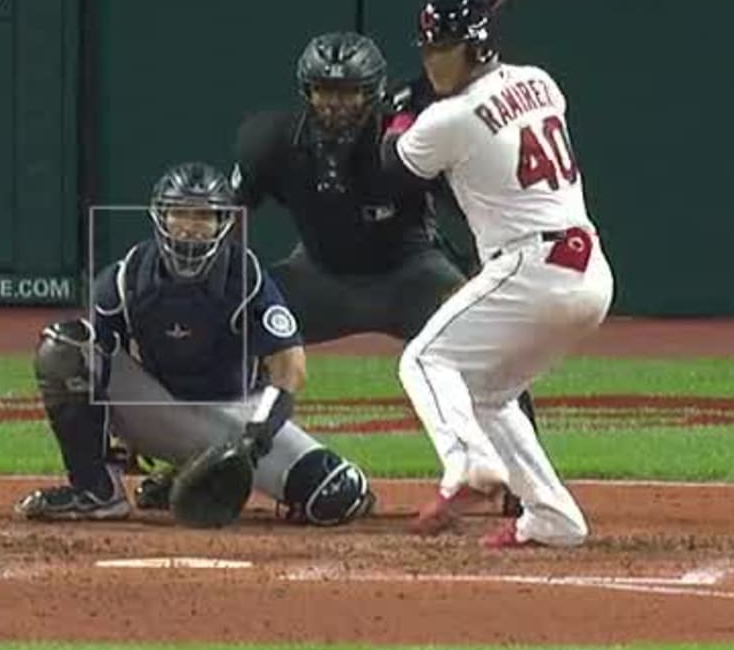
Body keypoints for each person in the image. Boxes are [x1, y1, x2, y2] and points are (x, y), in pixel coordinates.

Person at [229, 29, 535, 518]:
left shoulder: (413, 140)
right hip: (318, 278)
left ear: (372, 93)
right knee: (231, 325)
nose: (336, 104)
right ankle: (209, 465)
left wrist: (484, 270)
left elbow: (470, 208)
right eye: (325, 91)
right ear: (306, 92)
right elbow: (229, 220)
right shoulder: (270, 141)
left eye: (349, 92)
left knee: (489, 349)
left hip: (412, 278)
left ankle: (523, 483)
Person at [349, 0, 614, 549]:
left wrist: (402, 113)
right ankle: (552, 515)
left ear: (476, 47)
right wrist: (424, 104)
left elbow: (388, 171)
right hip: (588, 275)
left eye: (445, 51)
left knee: (424, 359)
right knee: (490, 394)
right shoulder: (541, 81)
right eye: (428, 52)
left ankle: (468, 462)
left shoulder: (448, 118)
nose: (432, 62)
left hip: (531, 266)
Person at [18, 161, 374, 527]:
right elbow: (102, 363)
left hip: (235, 417)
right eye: (179, 214)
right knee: (65, 348)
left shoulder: (246, 276)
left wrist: (255, 440)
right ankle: (96, 491)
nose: (190, 227)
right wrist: (119, 446)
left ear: (223, 223)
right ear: (161, 217)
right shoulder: (126, 277)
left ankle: (185, 473)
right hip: (161, 407)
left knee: (337, 493)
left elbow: (290, 369)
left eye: (204, 216)